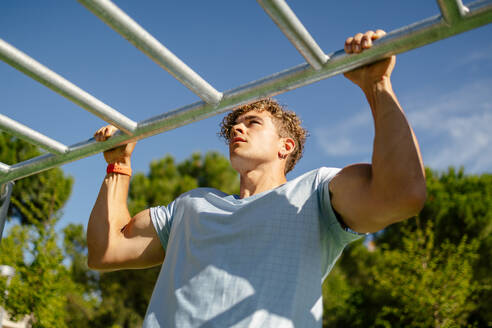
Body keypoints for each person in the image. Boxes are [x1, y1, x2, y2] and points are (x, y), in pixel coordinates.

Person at [88, 30, 426, 327]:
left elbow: (402, 194)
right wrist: (119, 166)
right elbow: (106, 250)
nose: (237, 128)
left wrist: (377, 85)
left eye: (253, 123)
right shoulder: (192, 206)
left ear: (286, 146)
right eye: (236, 124)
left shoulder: (315, 193)